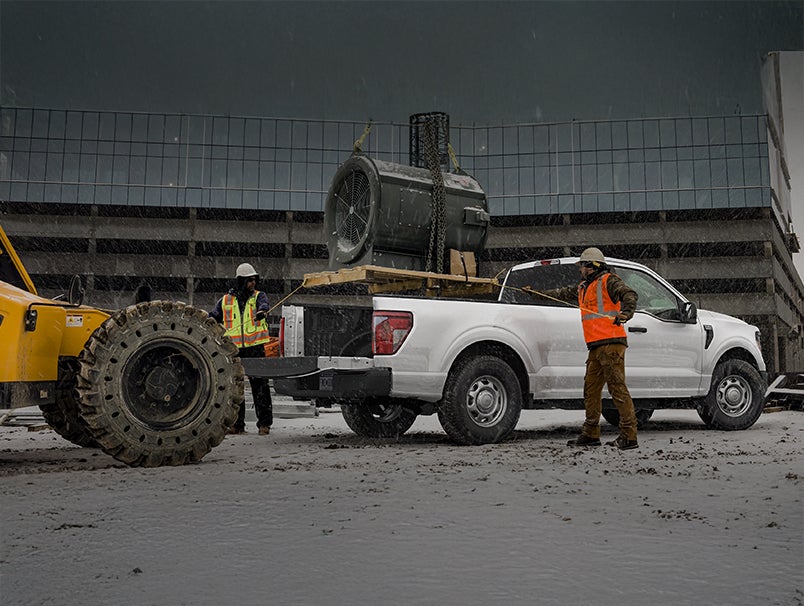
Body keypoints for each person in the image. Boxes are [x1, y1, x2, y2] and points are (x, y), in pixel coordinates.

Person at [526, 247, 640, 450]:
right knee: (591, 390)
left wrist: (625, 313)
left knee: (617, 389)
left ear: (592, 266)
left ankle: (629, 436)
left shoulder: (609, 281)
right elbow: (560, 294)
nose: (580, 270)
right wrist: (535, 293)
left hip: (611, 343)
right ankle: (591, 434)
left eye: (582, 266)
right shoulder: (583, 287)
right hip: (596, 346)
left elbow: (630, 294)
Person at [209, 262, 273, 435]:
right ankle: (237, 424)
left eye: (254, 280)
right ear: (241, 281)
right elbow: (212, 318)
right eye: (249, 280)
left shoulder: (259, 296)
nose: (253, 283)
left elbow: (264, 305)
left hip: (256, 348)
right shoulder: (225, 301)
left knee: (260, 387)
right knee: (236, 388)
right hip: (234, 350)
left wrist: (262, 312)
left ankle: (264, 424)